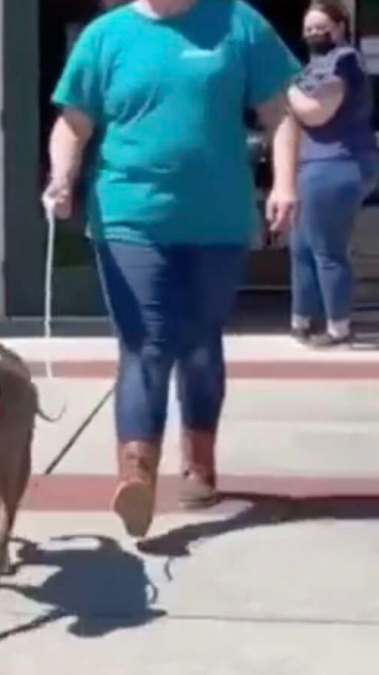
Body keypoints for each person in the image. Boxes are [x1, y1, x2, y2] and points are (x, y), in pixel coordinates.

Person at [44, 0, 302, 537]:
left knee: (201, 341)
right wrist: (62, 176)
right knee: (146, 342)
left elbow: (279, 112)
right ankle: (135, 475)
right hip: (128, 214)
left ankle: (198, 460)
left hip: (218, 218)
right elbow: (73, 124)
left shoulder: (237, 22)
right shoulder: (105, 36)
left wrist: (284, 183)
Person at [287, 1, 378, 347]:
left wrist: (287, 87)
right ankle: (302, 320)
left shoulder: (344, 60)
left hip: (337, 164)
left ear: (340, 27)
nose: (313, 34)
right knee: (302, 246)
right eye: (308, 28)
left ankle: (339, 327)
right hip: (314, 164)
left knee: (327, 248)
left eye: (321, 26)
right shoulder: (314, 65)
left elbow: (316, 112)